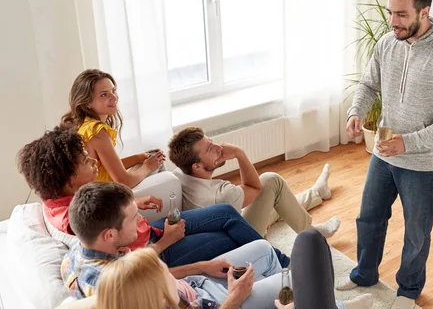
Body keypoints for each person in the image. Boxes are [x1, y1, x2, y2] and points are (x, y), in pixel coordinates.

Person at [338, 0, 433, 309]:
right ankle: (364, 274)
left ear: (424, 12)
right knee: (369, 217)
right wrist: (356, 112)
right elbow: (369, 85)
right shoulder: (388, 43)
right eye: (390, 13)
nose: (393, 22)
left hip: (421, 163)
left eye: (402, 15)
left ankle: (409, 291)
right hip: (383, 155)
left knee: (416, 233)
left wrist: (408, 143)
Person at [61, 183, 372, 308]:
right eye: (132, 219)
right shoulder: (113, 284)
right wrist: (235, 298)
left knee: (263, 250)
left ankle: (284, 294)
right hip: (214, 302)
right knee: (307, 284)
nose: (141, 221)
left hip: (195, 284)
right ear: (109, 235)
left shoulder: (82, 249)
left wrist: (202, 266)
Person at [18, 127, 289, 267]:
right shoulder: (72, 220)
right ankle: (284, 264)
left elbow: (105, 213)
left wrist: (132, 204)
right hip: (154, 255)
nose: (92, 159)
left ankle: (278, 258)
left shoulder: (61, 197)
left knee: (226, 213)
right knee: (231, 236)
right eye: (83, 160)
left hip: (150, 232)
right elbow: (121, 266)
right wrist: (166, 240)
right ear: (69, 180)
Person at [168, 126, 341, 238]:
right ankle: (313, 233)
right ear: (197, 165)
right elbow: (255, 187)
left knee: (277, 203)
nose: (218, 148)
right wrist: (239, 153)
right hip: (240, 242)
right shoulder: (221, 193)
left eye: (211, 141)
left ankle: (317, 192)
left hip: (223, 229)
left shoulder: (178, 174)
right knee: (271, 181)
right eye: (209, 149)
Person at [62, 69, 166, 188]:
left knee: (154, 159)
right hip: (106, 197)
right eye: (104, 94)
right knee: (165, 174)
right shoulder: (97, 131)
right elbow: (123, 181)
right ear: (87, 103)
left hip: (99, 192)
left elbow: (105, 169)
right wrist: (147, 167)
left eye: (113, 91)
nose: (114, 97)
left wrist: (138, 158)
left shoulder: (85, 126)